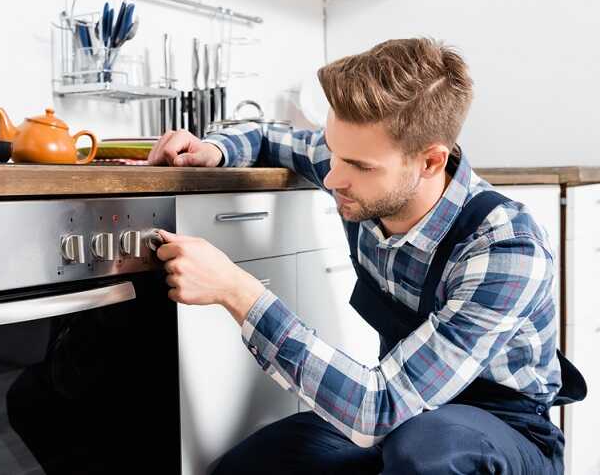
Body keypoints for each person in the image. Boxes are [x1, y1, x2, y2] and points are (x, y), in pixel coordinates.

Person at [147, 37, 585, 474]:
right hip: (404, 412)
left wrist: (238, 291)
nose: (332, 177)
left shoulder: (506, 248)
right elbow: (266, 135)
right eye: (334, 152)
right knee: (246, 468)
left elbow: (380, 407)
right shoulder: (359, 165)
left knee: (427, 452)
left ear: (430, 162)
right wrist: (216, 148)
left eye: (358, 166)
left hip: (500, 431)